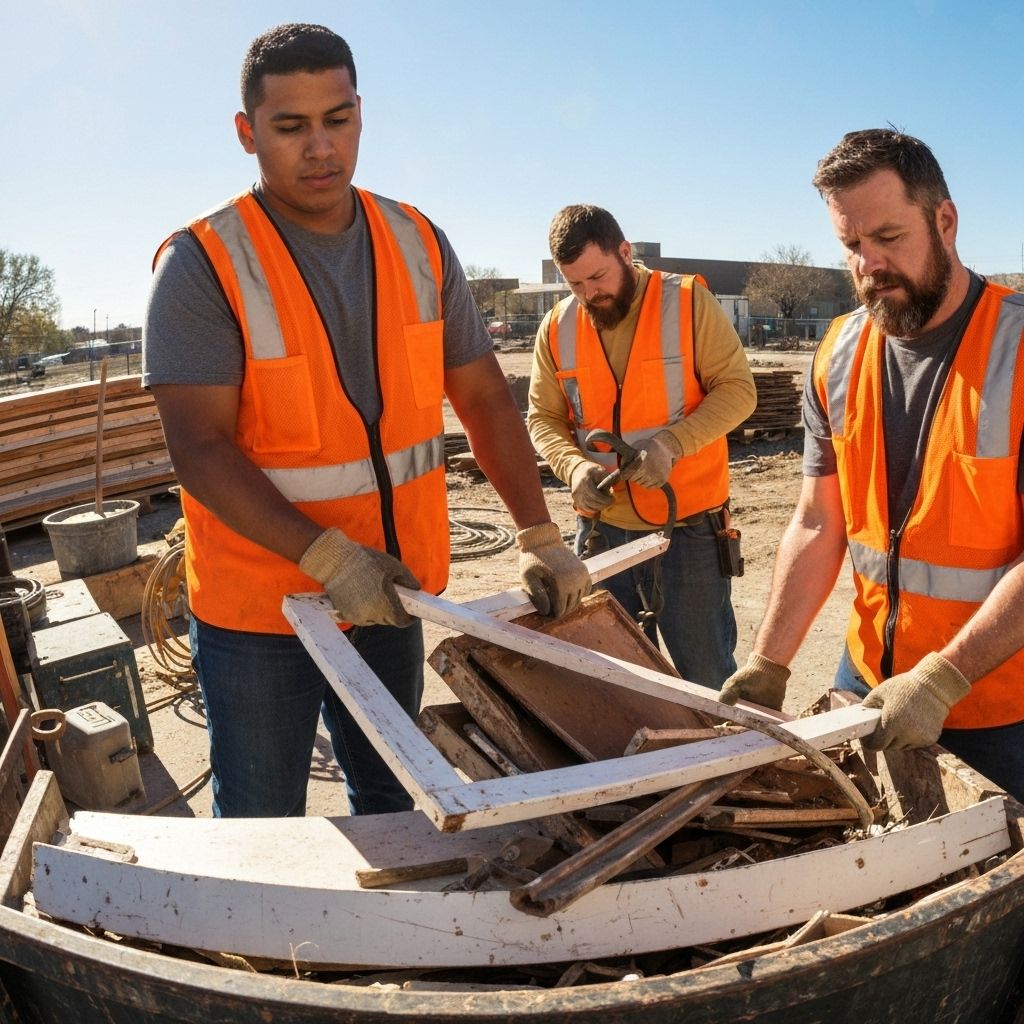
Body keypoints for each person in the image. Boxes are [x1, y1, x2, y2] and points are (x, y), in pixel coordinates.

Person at [142, 23, 590, 819]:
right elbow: (200, 449)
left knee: (393, 801)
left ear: (360, 114)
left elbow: (484, 398)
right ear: (247, 132)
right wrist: (326, 557)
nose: (321, 147)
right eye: (291, 127)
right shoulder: (202, 262)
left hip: (389, 596)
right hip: (261, 616)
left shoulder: (417, 242)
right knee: (261, 824)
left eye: (338, 119)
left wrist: (537, 532)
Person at [719, 129, 1024, 799]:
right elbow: (818, 520)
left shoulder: (1019, 347)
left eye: (888, 237)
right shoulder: (839, 350)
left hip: (1003, 707)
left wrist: (943, 678)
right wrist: (771, 661)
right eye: (851, 245)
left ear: (945, 221)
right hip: (870, 679)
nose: (869, 264)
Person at [527, 205, 757, 687]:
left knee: (706, 676)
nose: (589, 293)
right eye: (575, 284)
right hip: (600, 531)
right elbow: (543, 418)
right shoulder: (557, 326)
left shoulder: (687, 303)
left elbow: (738, 391)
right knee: (613, 679)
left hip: (688, 532)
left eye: (598, 277)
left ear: (625, 252)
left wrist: (672, 443)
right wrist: (573, 468)